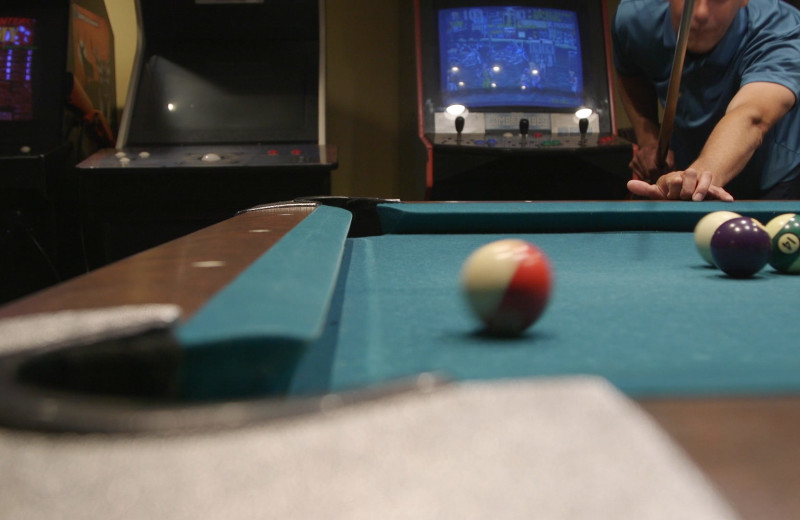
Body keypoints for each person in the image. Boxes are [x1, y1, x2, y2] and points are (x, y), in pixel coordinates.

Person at [612, 0, 800, 200]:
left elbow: (752, 115)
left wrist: (697, 178)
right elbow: (630, 73)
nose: (700, 13)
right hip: (688, 166)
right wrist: (649, 141)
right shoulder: (634, 19)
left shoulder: (783, 28)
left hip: (771, 177)